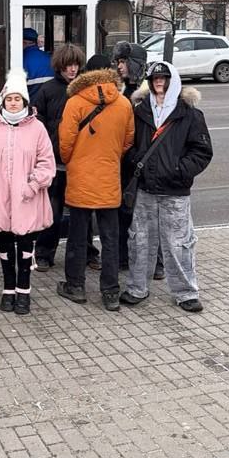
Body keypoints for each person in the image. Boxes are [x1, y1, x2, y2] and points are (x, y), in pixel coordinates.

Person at [121, 62, 213, 313]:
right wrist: (136, 162)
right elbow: (128, 144)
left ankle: (186, 293)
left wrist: (178, 171)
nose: (159, 82)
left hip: (175, 192)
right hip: (145, 190)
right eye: (154, 78)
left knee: (179, 244)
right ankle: (137, 288)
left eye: (163, 78)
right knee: (140, 242)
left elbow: (202, 152)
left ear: (173, 81)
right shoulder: (140, 111)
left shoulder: (190, 114)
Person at [0, 70, 56, 315]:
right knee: (5, 242)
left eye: (17, 98)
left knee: (25, 243)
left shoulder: (37, 128)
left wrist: (33, 185)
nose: (13, 103)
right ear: (3, 100)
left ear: (25, 101)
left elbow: (46, 161)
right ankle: (8, 288)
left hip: (27, 198)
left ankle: (24, 289)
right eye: (9, 99)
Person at [57, 55, 134, 310]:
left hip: (80, 177)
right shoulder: (123, 103)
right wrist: (110, 157)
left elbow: (65, 144)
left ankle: (75, 286)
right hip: (109, 177)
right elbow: (127, 141)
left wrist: (74, 160)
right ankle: (110, 292)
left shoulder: (75, 102)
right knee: (110, 238)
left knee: (78, 235)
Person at [31, 44, 87, 271]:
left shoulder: (85, 89)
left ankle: (86, 253)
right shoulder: (48, 90)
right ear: (59, 66)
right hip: (55, 162)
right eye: (68, 65)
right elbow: (37, 123)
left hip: (80, 162)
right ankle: (44, 253)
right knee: (52, 213)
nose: (72, 69)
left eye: (75, 65)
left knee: (82, 213)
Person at [111, 40, 157, 278]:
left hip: (144, 164)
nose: (119, 66)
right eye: (118, 62)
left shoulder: (150, 94)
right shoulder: (121, 91)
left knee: (148, 216)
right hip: (126, 163)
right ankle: (123, 257)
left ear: (135, 63)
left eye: (123, 62)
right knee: (124, 213)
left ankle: (155, 262)